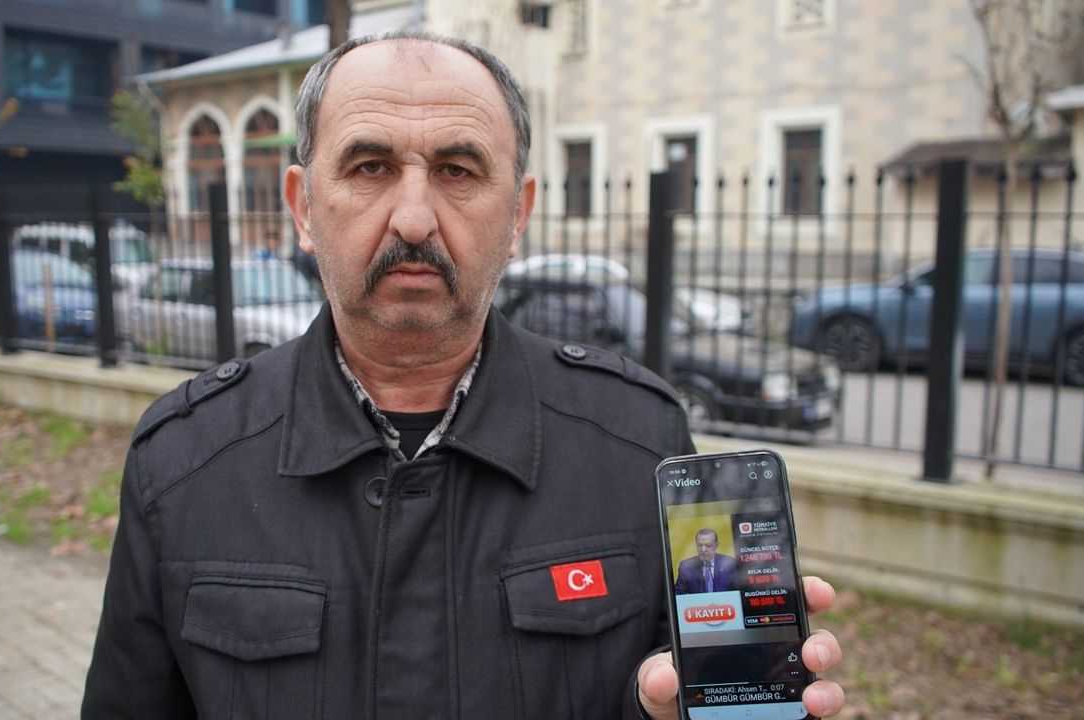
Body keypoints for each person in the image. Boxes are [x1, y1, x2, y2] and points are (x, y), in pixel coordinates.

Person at [82, 30, 845, 720]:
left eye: (457, 169)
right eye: (370, 166)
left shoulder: (639, 441)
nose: (414, 218)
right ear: (303, 208)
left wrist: (670, 713)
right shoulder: (181, 465)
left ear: (518, 215)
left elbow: (683, 686)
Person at [674, 528, 739, 594]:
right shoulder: (686, 567)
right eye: (700, 545)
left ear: (716, 546)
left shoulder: (730, 564)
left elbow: (740, 591)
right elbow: (678, 593)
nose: (703, 549)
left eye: (708, 545)